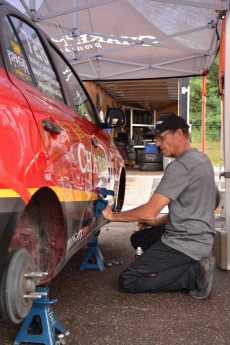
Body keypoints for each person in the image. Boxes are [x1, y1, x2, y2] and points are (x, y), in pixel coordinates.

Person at [102, 112, 217, 300]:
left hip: (186, 243)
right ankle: (185, 264)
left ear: (179, 134)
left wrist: (113, 216)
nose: (157, 144)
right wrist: (156, 223)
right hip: (201, 238)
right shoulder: (203, 160)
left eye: (161, 138)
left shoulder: (180, 167)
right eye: (156, 139)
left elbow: (149, 211)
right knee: (139, 239)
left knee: (128, 280)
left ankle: (193, 274)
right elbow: (193, 206)